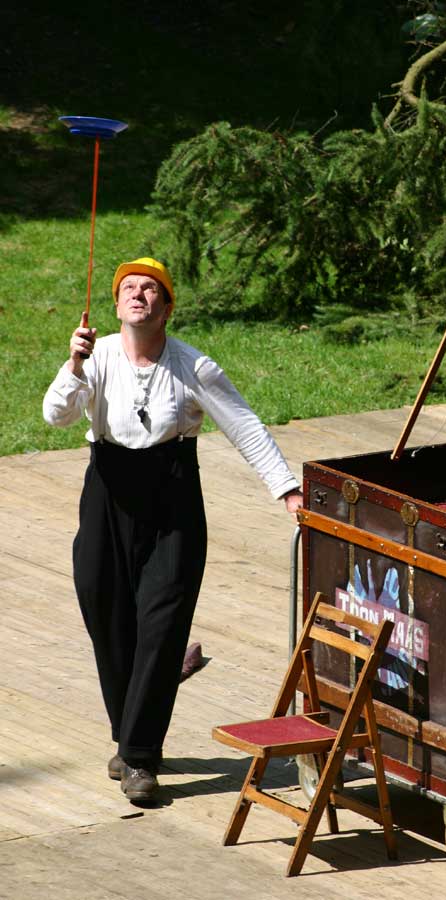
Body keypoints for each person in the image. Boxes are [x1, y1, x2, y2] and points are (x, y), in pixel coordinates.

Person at [43, 257, 303, 803]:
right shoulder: (96, 356)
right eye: (129, 288)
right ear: (116, 305)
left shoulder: (194, 366)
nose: (138, 295)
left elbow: (245, 426)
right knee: (105, 612)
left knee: (161, 626)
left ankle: (138, 758)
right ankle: (131, 730)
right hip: (107, 494)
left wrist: (287, 489)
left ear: (166, 308)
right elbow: (55, 416)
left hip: (172, 499)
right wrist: (73, 365)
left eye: (150, 289)